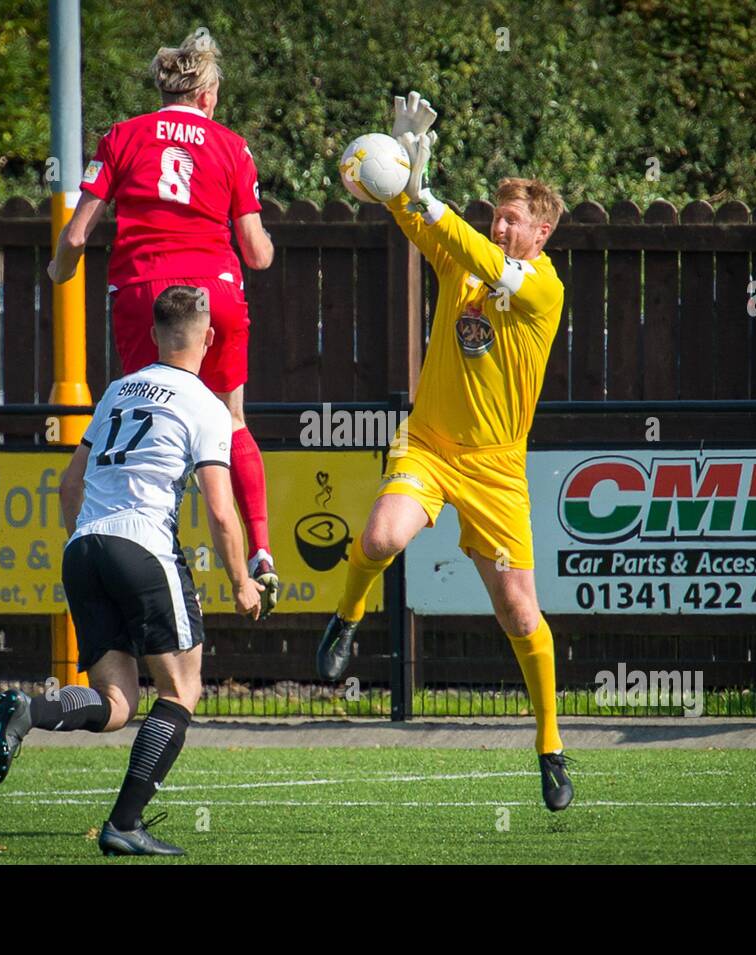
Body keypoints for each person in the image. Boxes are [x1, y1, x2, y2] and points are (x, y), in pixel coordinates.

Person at [315, 93, 574, 811]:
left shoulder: (543, 287)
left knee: (520, 613)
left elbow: (476, 252)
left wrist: (428, 196)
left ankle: (550, 744)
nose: (501, 223)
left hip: (496, 469)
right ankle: (348, 616)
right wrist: (397, 181)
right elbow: (420, 226)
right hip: (429, 445)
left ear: (541, 232)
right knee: (379, 535)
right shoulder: (465, 263)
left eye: (514, 217)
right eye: (497, 213)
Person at [0, 285, 264, 858]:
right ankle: (124, 824)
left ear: (155, 336)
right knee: (182, 691)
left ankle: (29, 710)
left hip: (84, 548)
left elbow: (68, 484)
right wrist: (241, 582)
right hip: (142, 547)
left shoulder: (116, 391)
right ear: (208, 338)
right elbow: (219, 508)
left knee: (117, 705)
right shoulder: (207, 404)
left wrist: (90, 546)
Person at [47, 29, 280, 616]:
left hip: (143, 291)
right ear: (207, 93)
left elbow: (77, 234)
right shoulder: (231, 145)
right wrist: (269, 245)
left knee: (146, 409)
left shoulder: (121, 138)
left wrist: (58, 269)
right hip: (216, 291)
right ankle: (259, 551)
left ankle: (145, 542)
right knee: (230, 418)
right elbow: (255, 253)